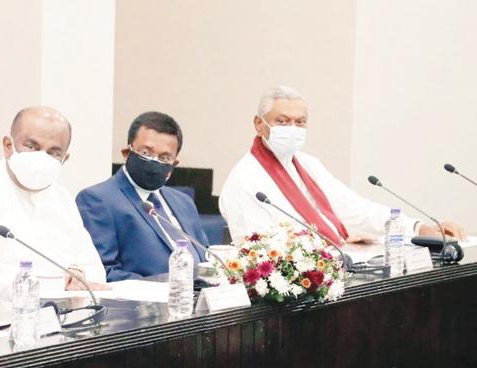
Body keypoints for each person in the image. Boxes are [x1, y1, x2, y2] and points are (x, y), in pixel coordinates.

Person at [219, 85, 465, 244]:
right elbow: (258, 249)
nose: (292, 129)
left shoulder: (306, 164)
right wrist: (334, 239)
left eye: (300, 122)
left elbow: (354, 208)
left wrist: (418, 228)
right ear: (259, 123)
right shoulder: (246, 178)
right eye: (282, 122)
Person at [0, 106, 106, 303]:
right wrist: (57, 285)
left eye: (54, 153)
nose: (41, 158)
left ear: (65, 159)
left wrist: (79, 275)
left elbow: (95, 270)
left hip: (61, 318)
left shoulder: (61, 197)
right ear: (7, 146)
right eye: (32, 147)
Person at [76, 111, 209, 281]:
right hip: (146, 304)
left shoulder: (183, 202)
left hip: (199, 298)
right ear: (126, 152)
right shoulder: (97, 200)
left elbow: (205, 258)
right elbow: (103, 272)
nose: (154, 161)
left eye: (164, 157)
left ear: (173, 164)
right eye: (146, 153)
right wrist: (169, 283)